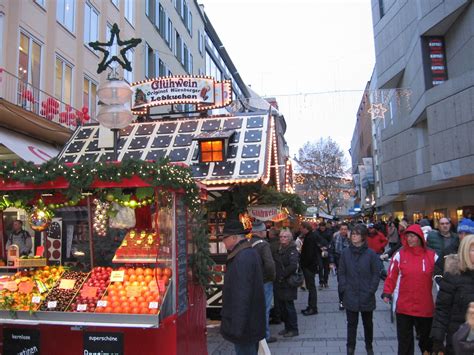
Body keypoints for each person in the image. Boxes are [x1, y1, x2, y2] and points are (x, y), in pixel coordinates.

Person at [382, 224, 437, 355]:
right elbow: (391, 275)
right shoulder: (400, 255)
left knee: (426, 341)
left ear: (420, 237)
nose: (410, 239)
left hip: (425, 306)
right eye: (408, 236)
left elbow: (440, 278)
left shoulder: (432, 256)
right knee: (405, 342)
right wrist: (387, 292)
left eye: (413, 236)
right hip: (404, 305)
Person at [220, 218, 265, 355]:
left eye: (224, 238)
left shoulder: (242, 257)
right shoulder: (246, 253)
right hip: (249, 322)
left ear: (234, 237)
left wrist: (237, 327)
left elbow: (242, 294)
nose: (223, 241)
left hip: (245, 326)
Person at [338, 224, 380, 355]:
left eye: (357, 234)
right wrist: (343, 289)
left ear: (363, 236)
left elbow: (376, 274)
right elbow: (341, 272)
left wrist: (371, 290)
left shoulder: (371, 254)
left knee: (368, 324)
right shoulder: (345, 253)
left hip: (366, 294)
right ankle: (350, 348)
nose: (353, 236)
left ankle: (369, 346)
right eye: (353, 234)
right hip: (350, 294)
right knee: (351, 324)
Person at [430, 234, 474, 355]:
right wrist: (437, 340)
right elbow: (442, 310)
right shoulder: (453, 277)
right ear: (465, 252)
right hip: (459, 341)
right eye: (473, 249)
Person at [249, 220, 276, 344]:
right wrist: (272, 277)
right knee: (265, 308)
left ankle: (255, 333)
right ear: (260, 232)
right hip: (264, 280)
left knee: (254, 308)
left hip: (252, 281)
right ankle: (265, 335)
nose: (266, 232)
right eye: (265, 230)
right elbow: (269, 264)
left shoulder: (249, 243)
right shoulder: (263, 245)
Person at [274, 229, 299, 338]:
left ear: (289, 238)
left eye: (285, 237)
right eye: (281, 237)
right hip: (281, 282)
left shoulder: (292, 250)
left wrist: (282, 275)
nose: (282, 239)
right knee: (283, 306)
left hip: (288, 282)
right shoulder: (280, 249)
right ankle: (287, 327)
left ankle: (293, 329)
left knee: (289, 306)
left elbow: (293, 266)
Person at [299, 222, 320, 316]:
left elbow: (309, 254)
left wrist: (304, 264)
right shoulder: (310, 236)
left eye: (301, 228)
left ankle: (313, 307)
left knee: (311, 287)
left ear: (305, 228)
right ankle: (310, 306)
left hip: (309, 267)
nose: (300, 230)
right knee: (310, 287)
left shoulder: (310, 237)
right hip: (310, 266)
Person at [329, 222, 351, 310]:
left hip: (350, 264)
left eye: (345, 229)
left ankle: (348, 300)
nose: (343, 231)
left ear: (348, 230)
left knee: (350, 283)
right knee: (341, 283)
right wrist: (331, 262)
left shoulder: (352, 239)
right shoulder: (335, 238)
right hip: (339, 263)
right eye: (342, 229)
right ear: (339, 230)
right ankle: (341, 301)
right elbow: (331, 251)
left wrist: (349, 239)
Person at [315, 221, 332, 289]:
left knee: (326, 267)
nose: (322, 228)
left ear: (325, 227)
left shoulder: (329, 232)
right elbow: (315, 241)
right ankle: (321, 281)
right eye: (321, 227)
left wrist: (327, 247)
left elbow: (331, 241)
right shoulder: (316, 232)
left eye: (323, 227)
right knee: (320, 266)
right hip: (319, 251)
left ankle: (326, 281)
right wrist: (320, 247)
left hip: (327, 251)